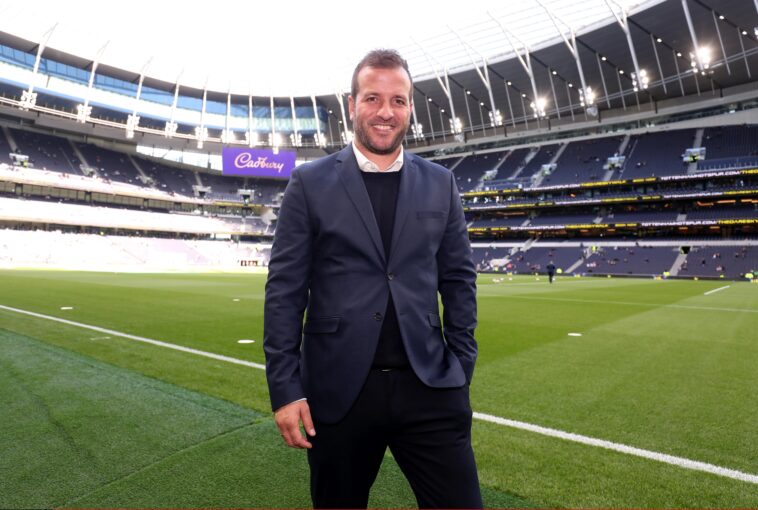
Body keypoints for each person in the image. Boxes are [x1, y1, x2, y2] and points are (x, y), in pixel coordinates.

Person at [263, 49, 481, 509]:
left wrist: (461, 366)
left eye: (398, 101)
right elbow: (285, 291)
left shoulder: (441, 182)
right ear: (352, 104)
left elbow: (459, 279)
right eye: (373, 98)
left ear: (410, 108)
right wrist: (286, 390)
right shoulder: (309, 182)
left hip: (430, 389)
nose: (385, 112)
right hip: (339, 394)